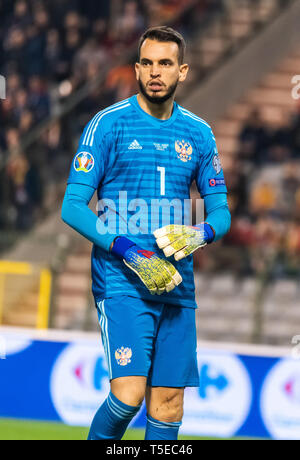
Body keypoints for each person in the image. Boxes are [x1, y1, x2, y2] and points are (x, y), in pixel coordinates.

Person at [61, 26, 231, 441]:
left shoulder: (199, 133)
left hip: (176, 282)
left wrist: (201, 233)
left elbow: (222, 212)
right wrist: (130, 251)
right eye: (148, 63)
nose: (156, 72)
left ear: (183, 71)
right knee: (128, 396)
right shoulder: (107, 125)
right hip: (122, 279)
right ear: (137, 69)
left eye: (166, 64)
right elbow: (72, 207)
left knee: (169, 403)